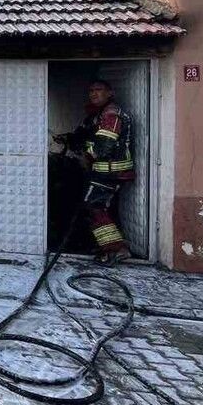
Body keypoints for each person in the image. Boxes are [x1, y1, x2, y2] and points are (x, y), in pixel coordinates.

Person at [62, 79, 135, 266]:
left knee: (94, 207)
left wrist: (86, 153)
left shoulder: (111, 115)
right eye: (91, 90)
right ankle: (107, 246)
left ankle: (116, 249)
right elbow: (85, 133)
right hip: (103, 171)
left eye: (99, 90)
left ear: (109, 93)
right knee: (99, 207)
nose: (94, 94)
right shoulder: (97, 115)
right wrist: (73, 139)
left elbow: (103, 146)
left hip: (111, 172)